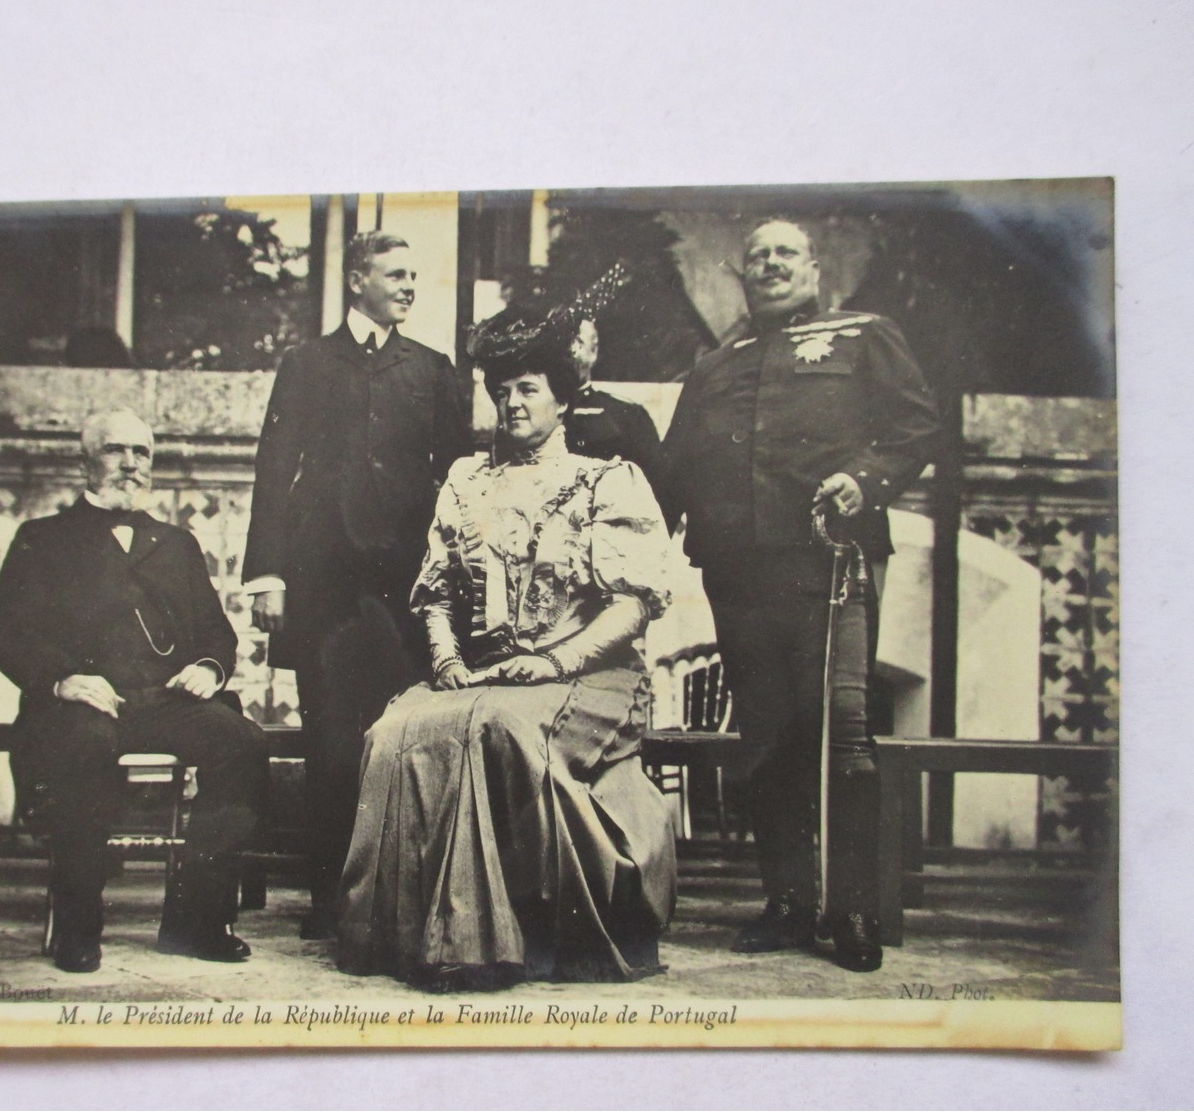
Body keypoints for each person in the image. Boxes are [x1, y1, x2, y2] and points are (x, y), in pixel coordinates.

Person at [336, 309, 678, 991]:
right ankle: (407, 939)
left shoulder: (607, 480)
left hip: (593, 674)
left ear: (561, 398)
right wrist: (445, 662)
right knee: (393, 731)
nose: (511, 404)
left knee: (498, 728)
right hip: (486, 673)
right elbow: (434, 593)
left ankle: (510, 937)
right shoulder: (468, 480)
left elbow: (633, 604)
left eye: (526, 389)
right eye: (500, 392)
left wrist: (554, 662)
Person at [659, 218, 940, 972]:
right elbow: (672, 469)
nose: (772, 264)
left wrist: (866, 480)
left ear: (816, 269)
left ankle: (852, 908)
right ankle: (787, 901)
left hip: (830, 565)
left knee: (841, 730)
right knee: (766, 742)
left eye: (787, 253)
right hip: (739, 575)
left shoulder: (862, 335)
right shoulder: (715, 366)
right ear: (740, 274)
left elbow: (917, 426)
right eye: (758, 256)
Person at [242, 231, 473, 939]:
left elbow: (460, 482)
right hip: (325, 589)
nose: (409, 286)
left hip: (406, 592)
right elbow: (275, 470)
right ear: (355, 280)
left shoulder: (434, 372)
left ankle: (396, 892)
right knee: (333, 741)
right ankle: (328, 898)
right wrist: (268, 575)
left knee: (403, 735)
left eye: (414, 275)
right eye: (395, 274)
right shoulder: (306, 364)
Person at [0, 408, 268, 973]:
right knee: (83, 746)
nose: (131, 464)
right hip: (84, 703)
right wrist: (62, 679)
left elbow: (217, 632)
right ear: (84, 460)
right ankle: (77, 924)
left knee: (243, 743)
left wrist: (210, 669)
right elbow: (6, 631)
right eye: (117, 450)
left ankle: (196, 921)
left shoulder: (177, 544)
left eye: (142, 453)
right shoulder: (42, 538)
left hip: (164, 701)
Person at [563, 316, 663, 486]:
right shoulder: (534, 415)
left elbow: (656, 485)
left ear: (593, 352)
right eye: (564, 343)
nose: (571, 351)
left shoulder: (628, 415)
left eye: (578, 342)